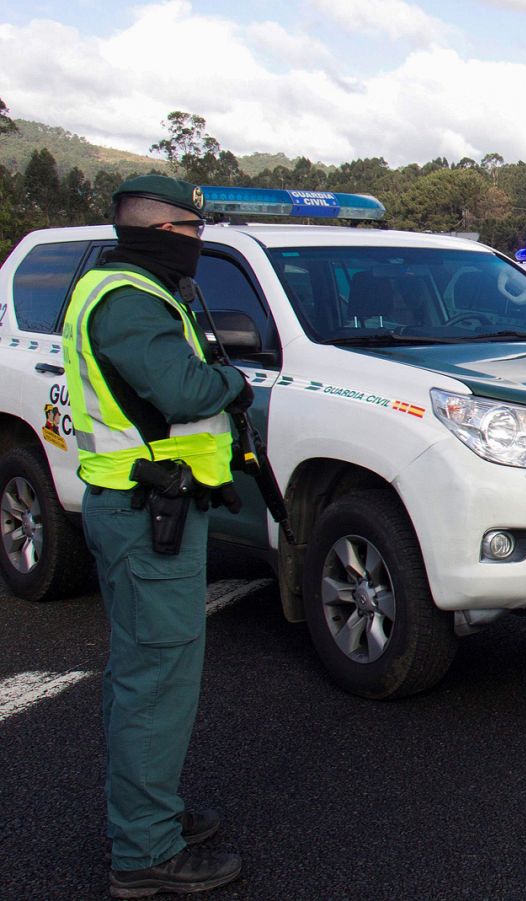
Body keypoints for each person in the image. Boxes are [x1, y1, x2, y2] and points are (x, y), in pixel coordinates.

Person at [62, 175, 249, 897]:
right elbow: (184, 391)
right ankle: (145, 851)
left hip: (141, 506)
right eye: (194, 230)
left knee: (140, 673)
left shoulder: (122, 286)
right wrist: (232, 385)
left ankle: (150, 814)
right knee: (157, 684)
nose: (200, 242)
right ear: (162, 230)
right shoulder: (130, 299)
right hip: (146, 516)